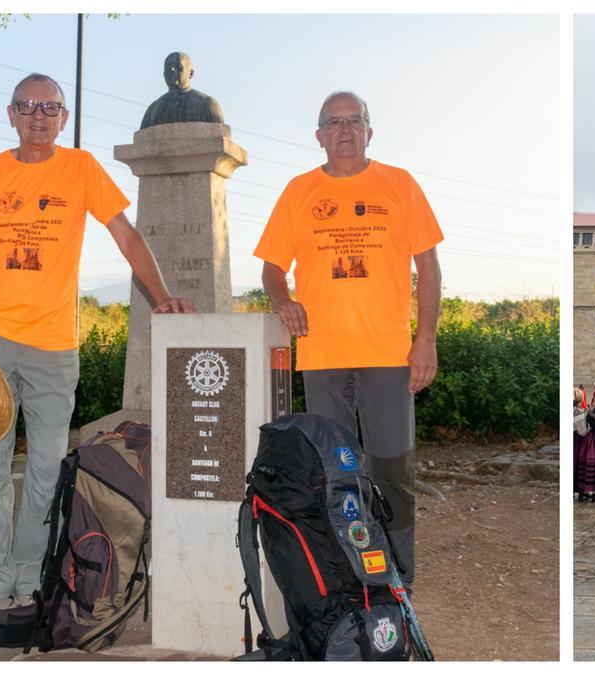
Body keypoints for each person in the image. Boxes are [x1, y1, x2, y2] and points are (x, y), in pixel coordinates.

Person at [0, 73, 195, 634]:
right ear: (10, 114)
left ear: (64, 118)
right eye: (27, 107)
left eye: (49, 108)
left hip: (54, 346)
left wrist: (161, 296)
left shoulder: (81, 170)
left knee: (50, 470)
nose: (38, 116)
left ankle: (31, 579)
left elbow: (126, 235)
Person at [254, 91, 443, 586]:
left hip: (388, 356)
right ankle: (342, 577)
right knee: (332, 473)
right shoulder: (299, 191)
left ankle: (398, 582)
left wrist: (426, 340)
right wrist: (282, 300)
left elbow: (429, 266)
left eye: (354, 120)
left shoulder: (399, 185)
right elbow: (272, 268)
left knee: (392, 473)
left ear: (369, 132)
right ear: (318, 136)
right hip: (323, 357)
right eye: (333, 122)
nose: (344, 129)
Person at [140, 52, 224, 129]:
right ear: (164, 74)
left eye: (178, 67)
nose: (172, 70)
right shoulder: (153, 109)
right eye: (168, 68)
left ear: (191, 73)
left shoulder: (207, 105)